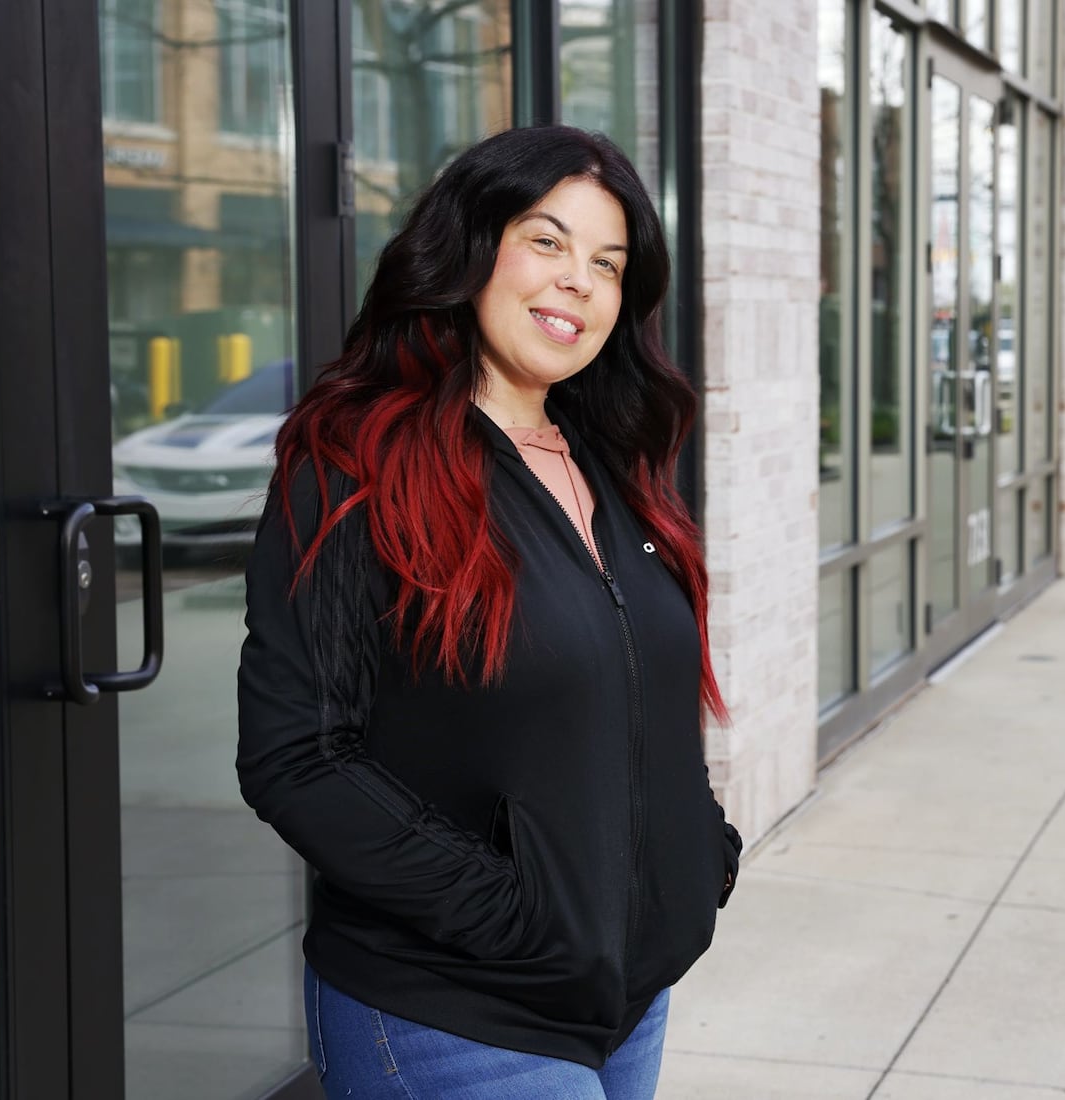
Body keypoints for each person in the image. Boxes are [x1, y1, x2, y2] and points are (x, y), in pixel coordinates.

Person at [236, 126, 742, 1100]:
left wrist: (695, 850)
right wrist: (521, 913)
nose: (578, 282)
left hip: (627, 994)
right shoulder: (357, 461)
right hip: (449, 1004)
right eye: (547, 242)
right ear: (471, 246)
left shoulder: (615, 460)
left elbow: (634, 689)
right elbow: (298, 754)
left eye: (607, 261)